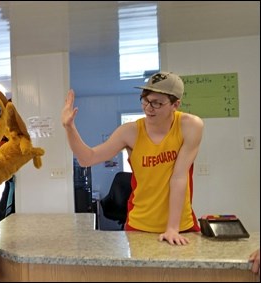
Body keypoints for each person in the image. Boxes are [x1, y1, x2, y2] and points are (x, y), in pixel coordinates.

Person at [62, 71, 204, 245]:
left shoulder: (189, 126)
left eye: (157, 103)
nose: (148, 108)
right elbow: (87, 159)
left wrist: (172, 228)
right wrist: (69, 128)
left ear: (175, 104)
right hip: (140, 225)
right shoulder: (130, 132)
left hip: (180, 226)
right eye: (145, 100)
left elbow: (179, 177)